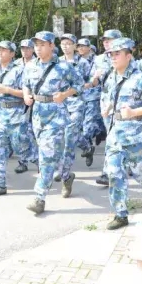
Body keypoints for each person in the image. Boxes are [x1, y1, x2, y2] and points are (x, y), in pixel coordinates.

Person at [100, 38, 142, 230]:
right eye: (110, 54)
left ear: (128, 56)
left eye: (117, 54)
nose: (113, 57)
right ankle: (120, 214)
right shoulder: (110, 77)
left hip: (138, 135)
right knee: (114, 172)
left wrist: (134, 112)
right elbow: (107, 98)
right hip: (116, 135)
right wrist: (107, 107)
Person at [23, 31, 81, 214]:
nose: (38, 49)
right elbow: (25, 83)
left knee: (47, 156)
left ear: (51, 46)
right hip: (37, 114)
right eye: (36, 45)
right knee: (45, 154)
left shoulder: (64, 67)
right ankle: (66, 175)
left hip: (56, 115)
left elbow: (79, 85)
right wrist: (26, 95)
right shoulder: (30, 66)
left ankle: (39, 198)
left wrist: (64, 94)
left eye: (42, 45)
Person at [0, 41, 30, 196]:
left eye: (4, 51)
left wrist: (8, 90)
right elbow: (0, 89)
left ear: (12, 54)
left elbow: (27, 94)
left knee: (23, 149)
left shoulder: (19, 70)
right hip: (1, 114)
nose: (0, 53)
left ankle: (55, 171)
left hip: (17, 114)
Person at [56, 34, 89, 183]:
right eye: (63, 43)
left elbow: (88, 83)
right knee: (63, 135)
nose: (66, 46)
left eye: (69, 43)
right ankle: (87, 146)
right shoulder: (56, 62)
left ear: (75, 46)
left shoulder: (83, 63)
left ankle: (65, 171)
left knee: (69, 136)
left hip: (77, 103)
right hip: (60, 104)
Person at [94, 29, 123, 186]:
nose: (106, 42)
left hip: (122, 101)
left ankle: (110, 171)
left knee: (117, 137)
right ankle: (110, 171)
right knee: (112, 136)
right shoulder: (98, 59)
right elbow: (95, 80)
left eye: (109, 39)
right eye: (104, 40)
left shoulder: (125, 58)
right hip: (105, 100)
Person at [77, 38, 102, 165]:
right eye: (78, 46)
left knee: (88, 125)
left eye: (83, 46)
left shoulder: (98, 60)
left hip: (94, 96)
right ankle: (88, 146)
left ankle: (90, 142)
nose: (80, 48)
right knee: (77, 127)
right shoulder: (76, 60)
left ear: (89, 47)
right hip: (78, 97)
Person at [14, 39, 39, 173]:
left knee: (34, 132)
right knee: (23, 132)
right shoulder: (16, 64)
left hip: (36, 102)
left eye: (28, 48)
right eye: (23, 48)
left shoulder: (38, 63)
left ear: (33, 49)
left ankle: (42, 161)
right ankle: (23, 161)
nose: (25, 51)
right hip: (19, 101)